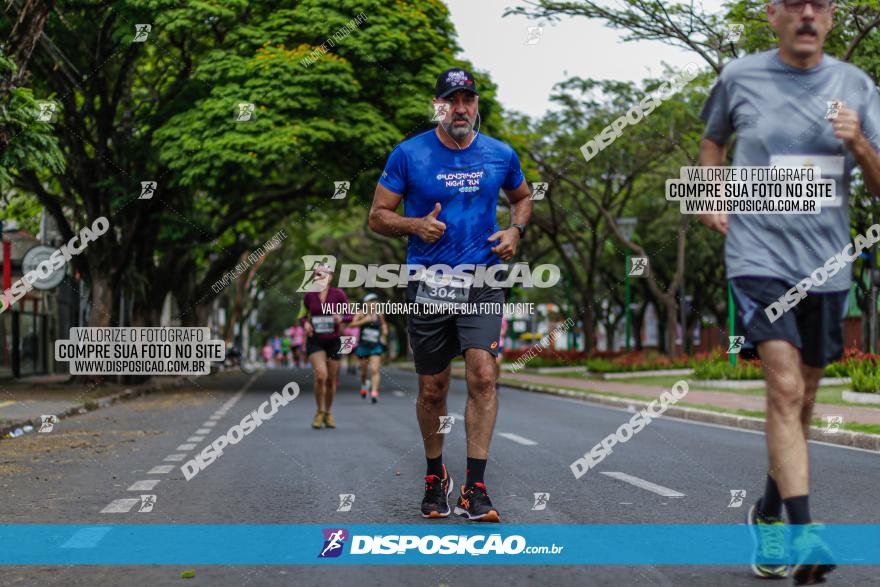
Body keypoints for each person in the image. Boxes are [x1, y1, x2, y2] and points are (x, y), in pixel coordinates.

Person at [699, 1, 880, 583]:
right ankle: (805, 532)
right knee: (783, 384)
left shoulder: (857, 86)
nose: (807, 13)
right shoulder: (738, 77)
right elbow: (712, 143)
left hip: (827, 267)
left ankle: (768, 512)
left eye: (819, 4)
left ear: (831, 18)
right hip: (757, 259)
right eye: (794, 3)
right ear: (773, 15)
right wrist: (709, 195)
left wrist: (858, 145)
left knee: (801, 403)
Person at [369, 67, 533, 522]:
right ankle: (434, 475)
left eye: (468, 100)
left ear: (476, 104)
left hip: (483, 278)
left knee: (483, 374)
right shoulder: (408, 155)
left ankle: (475, 489)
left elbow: (523, 197)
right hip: (430, 280)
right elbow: (377, 215)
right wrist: (414, 224)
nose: (460, 108)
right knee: (432, 388)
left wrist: (515, 230)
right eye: (451, 100)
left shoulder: (500, 154)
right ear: (438, 105)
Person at [298, 264, 353, 429]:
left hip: (334, 340)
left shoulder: (338, 294)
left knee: (330, 380)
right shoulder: (309, 296)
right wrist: (305, 324)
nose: (318, 277)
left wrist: (340, 318)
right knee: (321, 375)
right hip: (315, 340)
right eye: (316, 274)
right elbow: (302, 316)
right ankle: (319, 411)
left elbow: (349, 315)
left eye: (322, 274)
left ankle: (328, 413)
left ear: (330, 276)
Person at [351, 293, 389, 403]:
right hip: (363, 346)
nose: (373, 303)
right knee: (363, 371)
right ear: (366, 303)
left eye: (375, 301)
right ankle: (364, 384)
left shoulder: (379, 314)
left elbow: (383, 325)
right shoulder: (360, 313)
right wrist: (364, 320)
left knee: (374, 369)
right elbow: (351, 325)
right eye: (371, 301)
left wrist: (384, 332)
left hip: (375, 346)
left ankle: (374, 392)